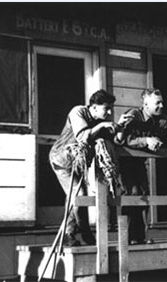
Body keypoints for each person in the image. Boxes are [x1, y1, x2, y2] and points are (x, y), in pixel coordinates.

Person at [49, 90, 133, 247]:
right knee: (78, 195)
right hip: (62, 160)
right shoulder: (78, 111)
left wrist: (120, 127)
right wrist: (102, 126)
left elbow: (116, 140)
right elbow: (83, 136)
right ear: (94, 108)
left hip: (79, 163)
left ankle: (81, 234)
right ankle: (73, 234)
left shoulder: (99, 120)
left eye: (111, 109)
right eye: (106, 108)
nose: (109, 113)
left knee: (79, 196)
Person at [118, 88, 167, 244]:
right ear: (145, 104)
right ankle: (127, 238)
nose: (161, 106)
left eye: (162, 102)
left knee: (144, 194)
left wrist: (156, 142)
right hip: (124, 161)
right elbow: (124, 139)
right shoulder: (133, 116)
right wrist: (147, 141)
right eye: (157, 103)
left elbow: (160, 138)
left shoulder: (162, 120)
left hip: (139, 162)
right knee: (131, 195)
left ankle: (140, 236)